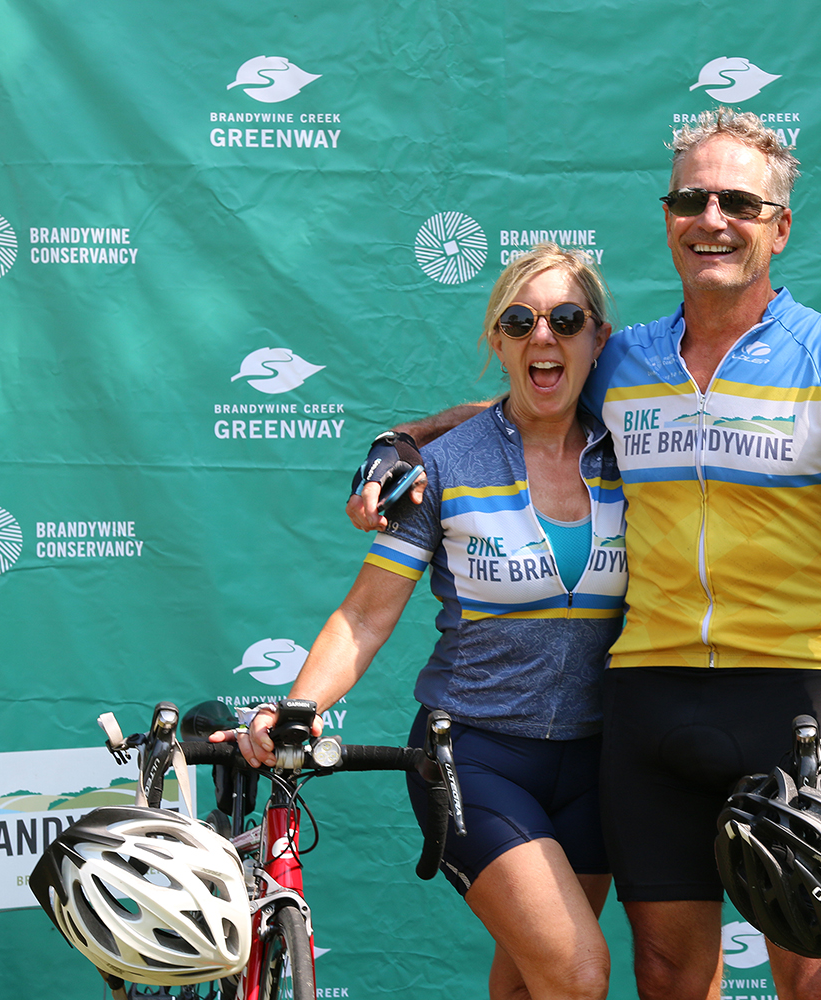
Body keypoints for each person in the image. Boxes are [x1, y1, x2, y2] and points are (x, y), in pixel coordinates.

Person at [348, 109, 821, 1000]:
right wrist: (401, 440)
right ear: (669, 217)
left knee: (817, 975)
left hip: (790, 695)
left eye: (739, 202)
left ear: (778, 227)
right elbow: (518, 405)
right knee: (670, 978)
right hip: (647, 705)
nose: (712, 217)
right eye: (691, 198)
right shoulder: (621, 361)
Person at [220, 244, 627, 1000]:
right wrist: (300, 708)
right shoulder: (446, 466)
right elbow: (365, 615)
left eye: (566, 319)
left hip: (599, 760)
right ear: (497, 341)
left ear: (597, 339)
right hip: (473, 757)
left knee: (534, 979)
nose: (545, 336)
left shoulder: (629, 452)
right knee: (577, 973)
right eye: (520, 320)